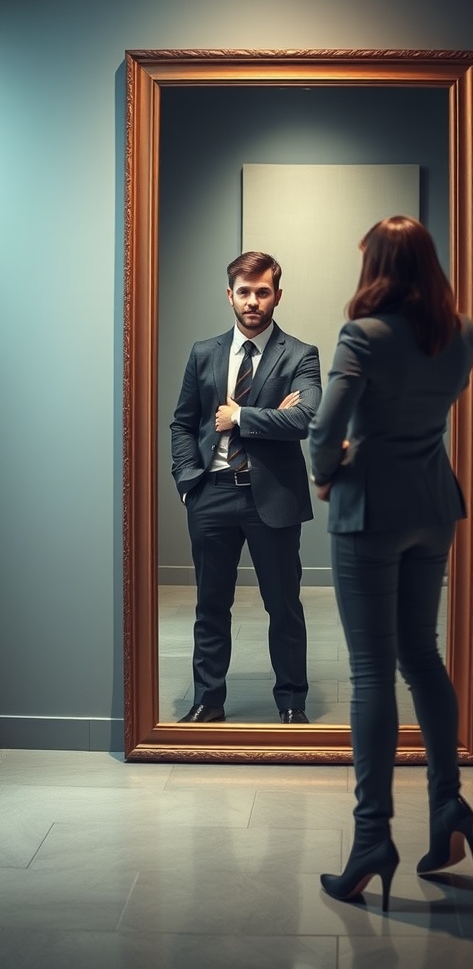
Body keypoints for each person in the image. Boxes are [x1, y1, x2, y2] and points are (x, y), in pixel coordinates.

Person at [308, 215, 473, 912]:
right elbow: (430, 411)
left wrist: (328, 469)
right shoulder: (460, 332)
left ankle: (372, 839)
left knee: (372, 671)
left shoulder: (363, 335)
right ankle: (448, 810)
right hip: (432, 505)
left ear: (376, 264)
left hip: (369, 510)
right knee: (423, 657)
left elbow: (326, 425)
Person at [171, 250, 322, 725]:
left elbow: (303, 418)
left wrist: (241, 416)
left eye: (263, 292)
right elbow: (182, 423)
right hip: (211, 494)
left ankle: (292, 701)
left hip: (273, 499)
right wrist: (186, 482)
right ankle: (208, 699)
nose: (253, 301)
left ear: (277, 294)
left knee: (284, 606)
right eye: (244, 292)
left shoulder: (301, 354)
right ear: (229, 295)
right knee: (211, 604)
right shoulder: (204, 353)